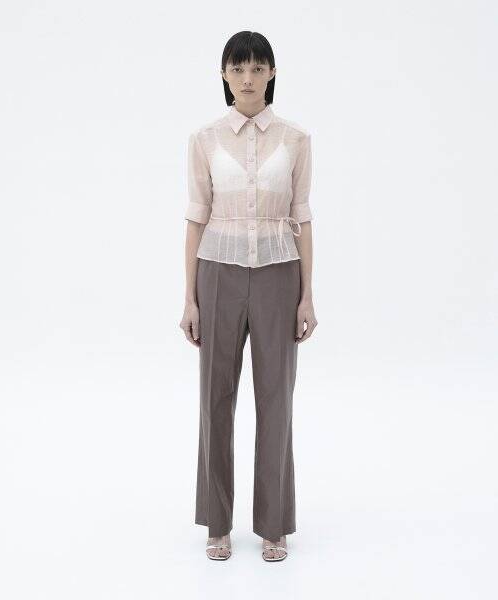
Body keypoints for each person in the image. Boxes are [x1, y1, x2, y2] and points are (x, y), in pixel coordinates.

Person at [180, 30, 318, 562]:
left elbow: (303, 217)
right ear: (223, 75)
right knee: (215, 398)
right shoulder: (205, 138)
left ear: (272, 74)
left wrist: (307, 296)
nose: (247, 78)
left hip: (280, 273)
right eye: (238, 69)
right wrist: (190, 298)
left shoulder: (296, 138)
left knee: (276, 398)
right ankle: (217, 522)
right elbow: (196, 217)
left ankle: (274, 524)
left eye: (258, 68)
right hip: (217, 271)